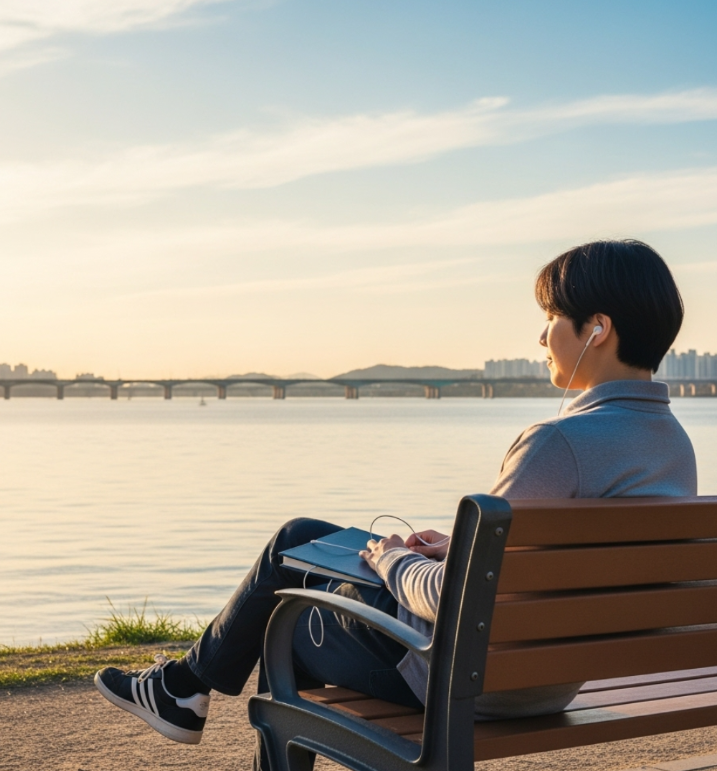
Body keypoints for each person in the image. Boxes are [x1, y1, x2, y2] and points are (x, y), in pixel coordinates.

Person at [94, 239, 696, 767]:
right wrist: (461, 548)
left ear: (598, 327)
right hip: (550, 678)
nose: (542, 335)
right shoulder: (674, 445)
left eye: (551, 316)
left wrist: (393, 562)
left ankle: (184, 691)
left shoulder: (558, 440)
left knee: (290, 596)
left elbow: (450, 600)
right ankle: (182, 689)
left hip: (467, 680)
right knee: (303, 535)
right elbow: (565, 570)